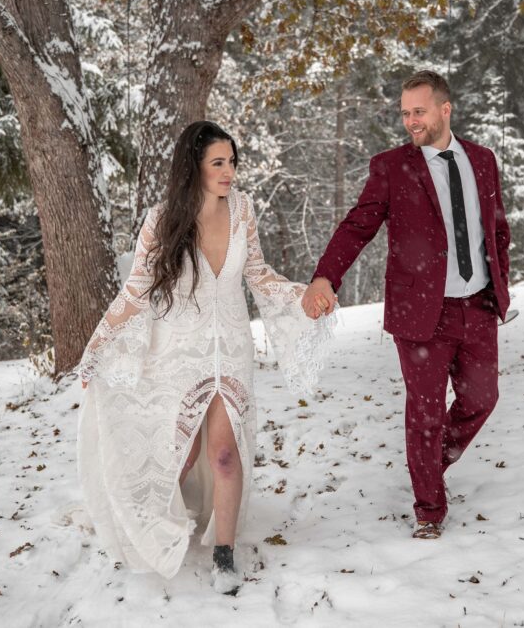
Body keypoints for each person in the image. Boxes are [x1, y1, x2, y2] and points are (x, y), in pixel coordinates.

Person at [77, 121, 334, 594]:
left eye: (232, 161)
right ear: (193, 166)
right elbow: (135, 293)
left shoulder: (243, 211)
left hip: (232, 352)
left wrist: (302, 298)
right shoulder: (161, 220)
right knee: (184, 450)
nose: (229, 171)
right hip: (179, 353)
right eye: (219, 162)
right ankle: (159, 524)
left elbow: (258, 274)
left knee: (224, 453)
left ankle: (224, 552)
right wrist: (96, 348)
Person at [302, 70, 511, 540]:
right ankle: (429, 508)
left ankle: (428, 464)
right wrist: (325, 276)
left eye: (418, 111)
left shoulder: (482, 160)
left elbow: (496, 228)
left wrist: (501, 284)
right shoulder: (392, 168)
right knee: (426, 411)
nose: (410, 121)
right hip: (421, 312)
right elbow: (358, 225)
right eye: (404, 113)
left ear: (444, 109)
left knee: (483, 399)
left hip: (477, 306)